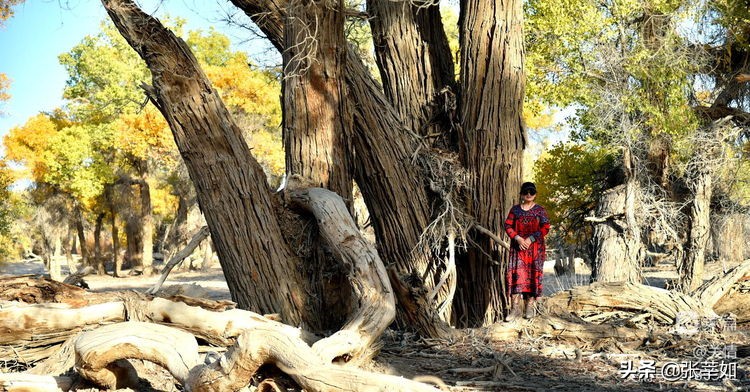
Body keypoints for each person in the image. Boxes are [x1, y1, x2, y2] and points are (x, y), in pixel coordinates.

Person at [504, 182, 550, 321]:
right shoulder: (515, 210)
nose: (528, 195)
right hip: (518, 250)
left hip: (535, 249)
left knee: (532, 276)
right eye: (526, 192)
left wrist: (531, 238)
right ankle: (515, 309)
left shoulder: (540, 210)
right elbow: (507, 225)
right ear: (521, 194)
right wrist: (517, 238)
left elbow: (546, 227)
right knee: (517, 276)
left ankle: (530, 307)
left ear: (535, 194)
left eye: (531, 192)